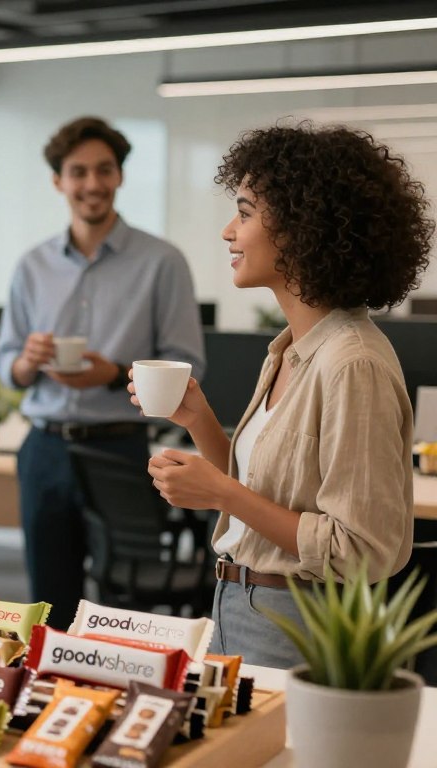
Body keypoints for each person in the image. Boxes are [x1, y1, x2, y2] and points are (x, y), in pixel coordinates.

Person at [136, 124, 430, 667]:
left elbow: (362, 549)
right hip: (240, 604)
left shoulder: (352, 362)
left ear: (301, 230)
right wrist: (200, 421)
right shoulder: (289, 351)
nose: (228, 231)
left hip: (300, 623)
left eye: (244, 213)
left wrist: (223, 496)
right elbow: (265, 496)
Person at [0, 116, 204, 628]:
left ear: (120, 176)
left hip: (121, 450)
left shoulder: (162, 262)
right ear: (58, 181)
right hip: (44, 450)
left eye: (104, 170)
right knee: (48, 601)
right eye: (78, 172)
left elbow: (191, 365)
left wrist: (114, 374)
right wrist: (28, 360)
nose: (92, 184)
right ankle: (53, 697)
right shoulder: (31, 266)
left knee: (128, 602)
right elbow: (9, 369)